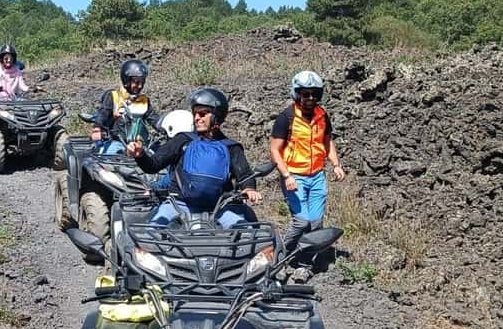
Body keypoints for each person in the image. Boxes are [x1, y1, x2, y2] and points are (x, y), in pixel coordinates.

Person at [126, 88, 262, 228]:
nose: (197, 118)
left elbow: (245, 175)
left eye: (203, 114)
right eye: (195, 113)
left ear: (218, 116)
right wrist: (140, 155)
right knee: (151, 232)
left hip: (219, 208)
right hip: (179, 205)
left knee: (247, 234)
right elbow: (153, 165)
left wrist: (249, 188)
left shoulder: (231, 147)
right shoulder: (183, 140)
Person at [270, 70, 346, 248]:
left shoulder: (322, 116)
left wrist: (336, 165)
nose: (310, 98)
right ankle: (283, 253)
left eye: (315, 94)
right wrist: (287, 176)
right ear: (297, 94)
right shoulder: (286, 118)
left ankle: (307, 257)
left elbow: (327, 142)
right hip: (295, 176)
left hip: (317, 176)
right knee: (301, 222)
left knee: (316, 222)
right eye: (305, 94)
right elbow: (274, 150)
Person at [90, 59, 161, 155]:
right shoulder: (113, 96)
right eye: (136, 82)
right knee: (114, 152)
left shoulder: (144, 100)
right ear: (126, 81)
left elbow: (155, 119)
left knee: (161, 152)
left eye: (142, 82)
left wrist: (167, 128)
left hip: (139, 145)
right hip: (117, 142)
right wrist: (97, 129)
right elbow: (103, 113)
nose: (140, 86)